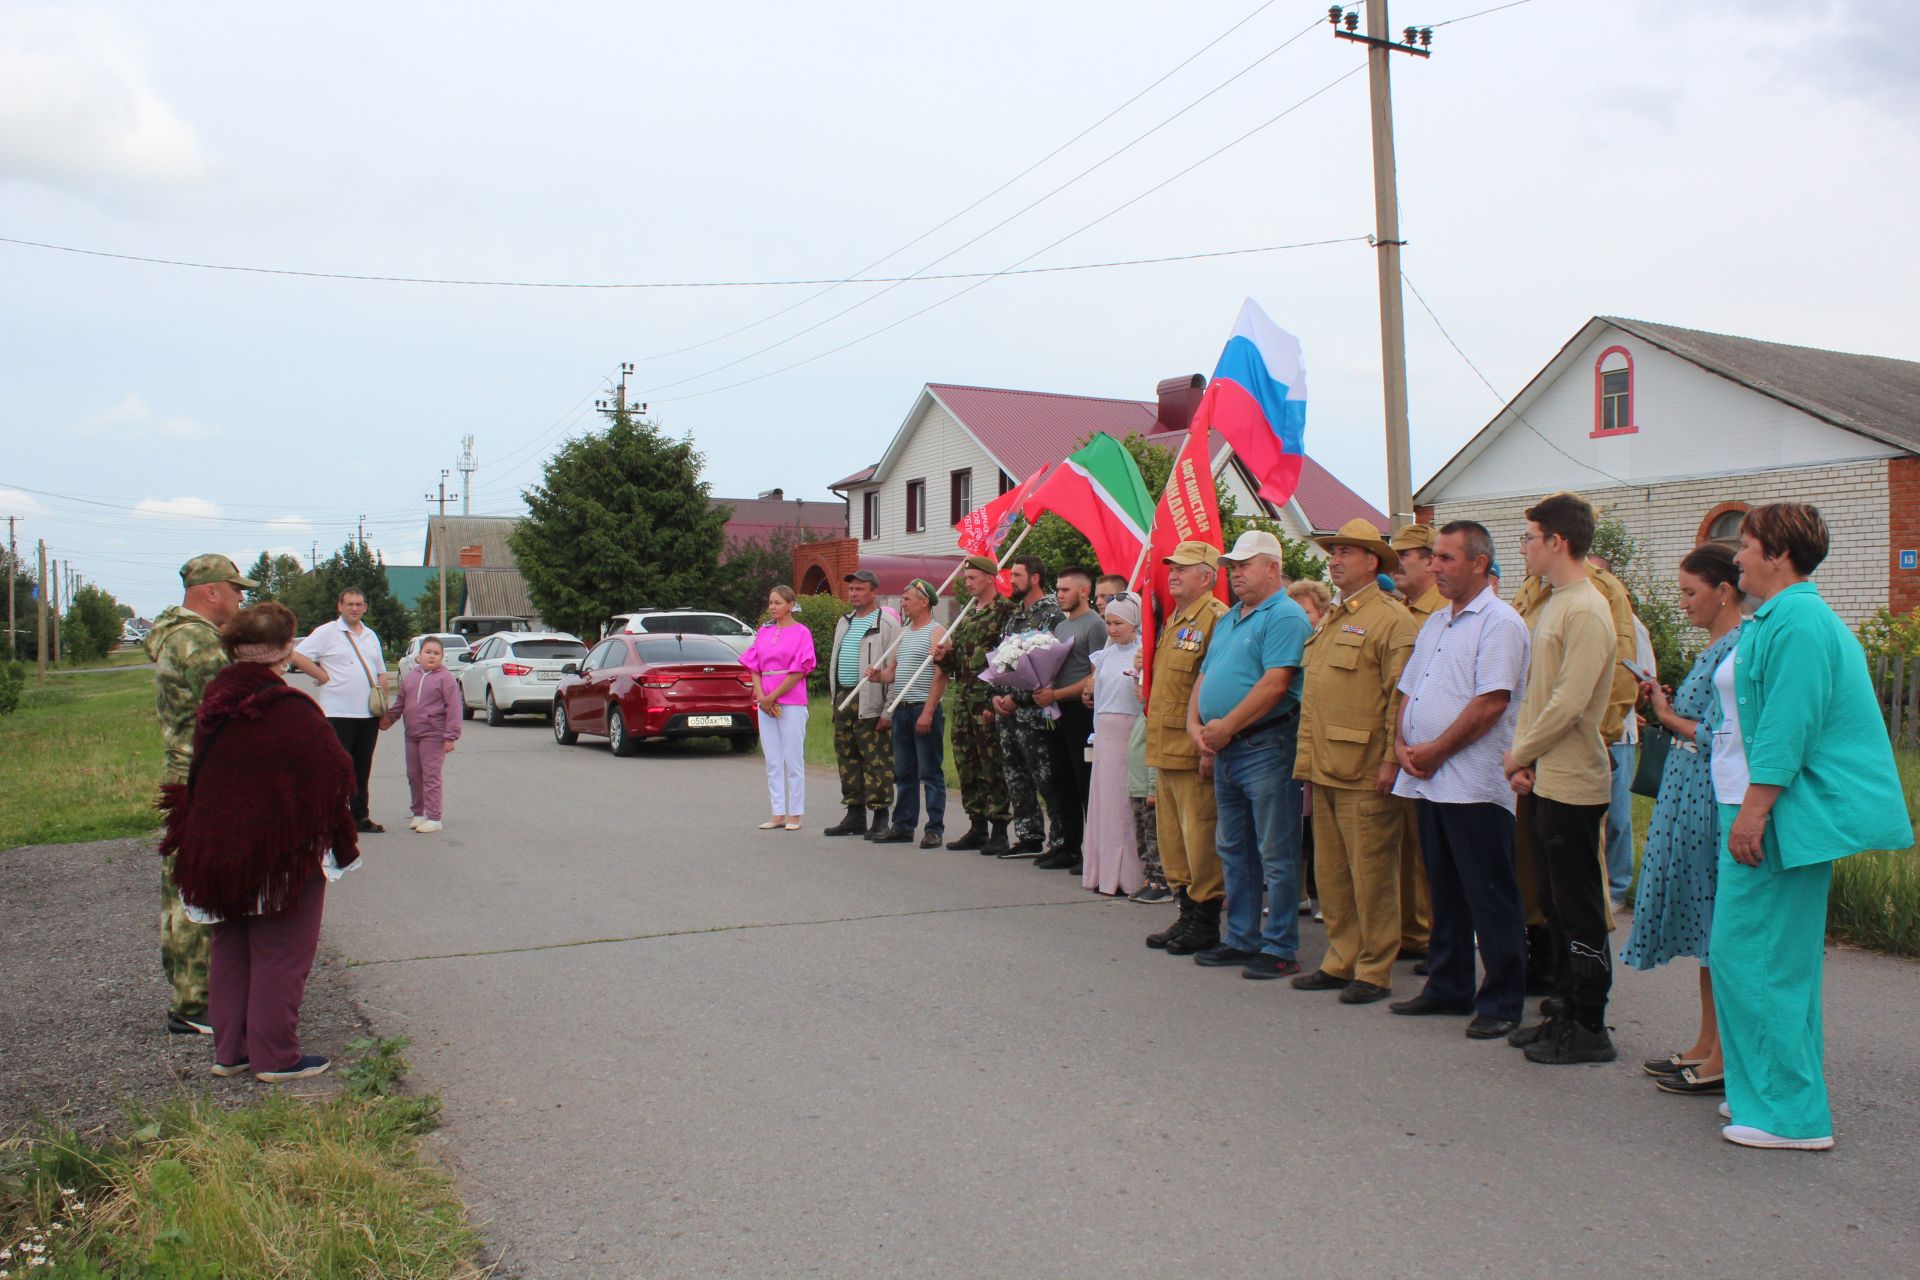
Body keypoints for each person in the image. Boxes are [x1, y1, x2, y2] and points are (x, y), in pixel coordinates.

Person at [1713, 503, 1910, 1149]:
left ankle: (1789, 1116)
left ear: (1776, 552)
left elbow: (1787, 726)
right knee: (1764, 956)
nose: (1735, 556)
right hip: (1771, 807)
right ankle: (1761, 1093)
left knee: (1755, 957)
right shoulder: (1783, 616)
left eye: (1744, 545)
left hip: (1780, 812)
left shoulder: (1797, 619)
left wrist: (1754, 810)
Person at [158, 602, 360, 1082]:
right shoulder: (289, 707)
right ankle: (276, 1057)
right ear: (287, 648)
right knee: (281, 949)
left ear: (231, 647)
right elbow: (335, 770)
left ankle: (231, 1051)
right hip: (276, 850)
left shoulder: (215, 701)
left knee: (231, 945)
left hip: (216, 847)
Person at [1386, 522, 1530, 1038]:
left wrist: (1435, 748)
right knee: (1444, 888)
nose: (1435, 567)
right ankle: (1448, 986)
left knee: (1489, 893)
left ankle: (1502, 1000)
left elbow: (1493, 701)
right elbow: (1411, 689)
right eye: (1435, 558)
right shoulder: (1438, 623)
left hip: (1472, 782)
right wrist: (1403, 745)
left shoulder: (1500, 622)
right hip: (1427, 778)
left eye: (1446, 558)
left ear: (1478, 563)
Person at [1503, 493, 1620, 1064]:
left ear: (1558, 542)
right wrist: (1526, 759)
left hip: (1575, 781)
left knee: (1578, 908)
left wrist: (1518, 752)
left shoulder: (1587, 608)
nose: (1522, 547)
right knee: (1550, 900)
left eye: (1529, 537)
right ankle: (1565, 1007)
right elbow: (1537, 694)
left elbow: (1570, 702)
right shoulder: (1555, 602)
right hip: (1548, 774)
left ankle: (1591, 1024)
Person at [1623, 544, 1743, 1096]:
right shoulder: (1717, 646)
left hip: (1707, 795)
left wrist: (1666, 716)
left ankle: (1724, 1054)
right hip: (1691, 790)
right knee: (1703, 926)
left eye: (1691, 592)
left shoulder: (1738, 646)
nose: (1684, 602)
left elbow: (1718, 732)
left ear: (1723, 591)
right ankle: (1705, 1042)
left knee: (1715, 924)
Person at [1291, 520, 1417, 1001]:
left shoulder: (1392, 619)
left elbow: (1400, 698)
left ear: (1372, 561)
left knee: (1372, 874)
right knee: (1333, 872)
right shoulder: (1335, 617)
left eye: (1346, 551)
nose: (1335, 558)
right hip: (1325, 764)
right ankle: (1341, 958)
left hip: (1365, 768)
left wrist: (1391, 760)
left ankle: (1374, 968)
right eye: (1333, 550)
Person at [1189, 530, 1315, 980]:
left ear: (1274, 568)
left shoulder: (1285, 616)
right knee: (1234, 847)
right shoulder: (1230, 619)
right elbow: (1205, 677)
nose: (1235, 573)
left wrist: (1227, 726)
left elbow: (1276, 684)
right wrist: (1196, 725)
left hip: (1266, 744)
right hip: (1227, 747)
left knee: (1274, 850)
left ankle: (1280, 946)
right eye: (1232, 566)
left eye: (1244, 564)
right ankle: (1241, 937)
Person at [147, 554, 262, 1036]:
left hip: (192, 769)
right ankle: (197, 1003)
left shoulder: (183, 635)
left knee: (186, 886)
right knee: (198, 890)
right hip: (206, 774)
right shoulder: (197, 643)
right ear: (209, 590)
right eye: (235, 590)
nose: (241, 598)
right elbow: (237, 709)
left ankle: (194, 996)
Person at [1143, 542, 1232, 954]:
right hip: (1166, 746)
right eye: (1171, 568)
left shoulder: (1215, 619)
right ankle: (1186, 913)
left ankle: (1206, 921)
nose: (1173, 574)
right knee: (1175, 842)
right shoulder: (1175, 618)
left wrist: (1208, 749)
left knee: (1200, 840)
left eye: (1184, 568)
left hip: (1192, 748)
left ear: (1208, 576)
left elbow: (1214, 687)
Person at [935, 557, 1016, 851]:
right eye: (966, 578)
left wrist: (994, 698)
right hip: (963, 699)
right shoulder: (967, 615)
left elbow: (1009, 659)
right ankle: (977, 824)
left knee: (991, 763)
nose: (967, 583)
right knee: (966, 762)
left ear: (989, 578)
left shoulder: (1006, 612)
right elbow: (960, 664)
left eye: (972, 578)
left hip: (987, 699)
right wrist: (945, 656)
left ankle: (1000, 828)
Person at [1389, 523, 1443, 962]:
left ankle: (1439, 937)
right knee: (1407, 846)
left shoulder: (1446, 612)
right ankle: (1413, 931)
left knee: (1433, 853)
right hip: (1406, 750)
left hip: (1439, 754)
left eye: (1405, 555)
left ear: (1430, 559)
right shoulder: (1401, 610)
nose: (1397, 563)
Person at [296, 587, 391, 834]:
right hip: (338, 713)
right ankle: (332, 818)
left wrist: (383, 710)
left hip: (367, 714)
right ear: (340, 606)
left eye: (359, 604)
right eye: (349, 604)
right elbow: (297, 655)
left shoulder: (370, 635)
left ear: (365, 607)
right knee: (337, 768)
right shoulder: (328, 632)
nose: (354, 608)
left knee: (362, 767)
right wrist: (321, 674)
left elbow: (381, 672)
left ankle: (360, 816)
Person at [991, 557, 1069, 861]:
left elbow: (1054, 664)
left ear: (1035, 578)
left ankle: (1061, 839)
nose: (1011, 581)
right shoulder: (1014, 618)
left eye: (1017, 576)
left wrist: (1019, 699)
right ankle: (1028, 834)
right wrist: (997, 695)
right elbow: (1001, 660)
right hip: (1008, 713)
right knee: (1015, 775)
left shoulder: (1052, 615)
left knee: (1047, 778)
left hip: (1036, 713)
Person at [1591, 553, 1656, 909]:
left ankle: (1617, 888)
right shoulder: (1582, 615)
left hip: (1620, 734)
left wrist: (1632, 704)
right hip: (1586, 734)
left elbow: (1647, 681)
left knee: (1616, 816)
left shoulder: (1630, 625)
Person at [1032, 566, 1104, 869]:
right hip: (1057, 710)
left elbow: (1096, 674)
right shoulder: (1061, 627)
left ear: (1084, 591)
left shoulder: (1095, 625)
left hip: (1080, 711)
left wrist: (1057, 695)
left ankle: (1093, 852)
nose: (1059, 595)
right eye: (1058, 590)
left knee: (1083, 781)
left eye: (1065, 590)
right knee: (1061, 779)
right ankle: (1068, 846)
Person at [824, 570, 901, 837]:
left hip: (870, 699)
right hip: (844, 697)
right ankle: (854, 813)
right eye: (852, 589)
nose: (854, 594)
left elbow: (895, 669)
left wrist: (888, 709)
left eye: (860, 589)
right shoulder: (843, 622)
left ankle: (880, 816)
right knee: (847, 757)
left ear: (874, 592)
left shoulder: (887, 624)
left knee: (876, 759)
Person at [871, 579, 947, 847]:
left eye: (907, 599)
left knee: (930, 772)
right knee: (903, 772)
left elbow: (941, 676)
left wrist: (928, 711)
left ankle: (934, 828)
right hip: (901, 710)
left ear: (924, 601)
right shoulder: (903, 633)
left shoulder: (938, 632)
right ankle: (903, 825)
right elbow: (892, 673)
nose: (902, 604)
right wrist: (877, 676)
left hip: (922, 708)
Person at [739, 585, 817, 831]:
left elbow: (799, 670)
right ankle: (778, 812)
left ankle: (795, 813)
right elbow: (754, 666)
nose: (773, 607)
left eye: (778, 602)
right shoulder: (764, 631)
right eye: (771, 602)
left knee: (792, 757)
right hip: (765, 700)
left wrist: (773, 696)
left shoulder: (802, 632)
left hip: (790, 699)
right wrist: (762, 696)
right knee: (772, 758)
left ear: (791, 605)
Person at [1082, 595, 1146, 895]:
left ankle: (1129, 875)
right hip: (1105, 735)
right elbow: (1098, 700)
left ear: (1134, 622)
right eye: (1108, 622)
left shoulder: (1142, 653)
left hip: (1130, 733)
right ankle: (1102, 873)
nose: (1112, 629)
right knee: (1104, 803)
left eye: (1118, 623)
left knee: (1124, 804)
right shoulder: (1105, 656)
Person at [379, 636, 462, 832]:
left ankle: (434, 817)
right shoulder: (411, 676)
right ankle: (418, 813)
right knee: (414, 774)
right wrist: (387, 720)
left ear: (442, 657)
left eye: (436, 653)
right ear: (419, 656)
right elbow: (400, 702)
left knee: (431, 775)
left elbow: (454, 708)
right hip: (412, 734)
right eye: (428, 652)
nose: (431, 656)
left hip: (433, 734)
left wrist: (450, 736)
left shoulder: (445, 678)